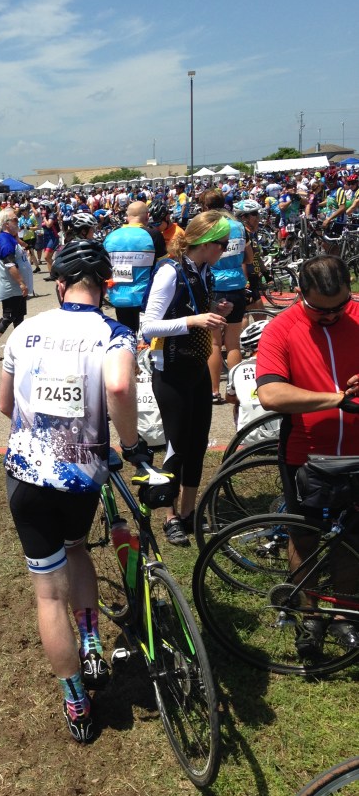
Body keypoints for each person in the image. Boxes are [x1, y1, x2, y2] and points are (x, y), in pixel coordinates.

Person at [0, 237, 147, 744]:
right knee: (78, 546)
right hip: (81, 473)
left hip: (27, 472)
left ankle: (75, 698)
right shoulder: (115, 333)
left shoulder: (27, 330)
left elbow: (3, 404)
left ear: (59, 285)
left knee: (46, 592)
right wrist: (131, 443)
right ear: (104, 286)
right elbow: (121, 388)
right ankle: (89, 639)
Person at [256, 254, 359, 656]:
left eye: (341, 307)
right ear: (300, 294)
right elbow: (270, 394)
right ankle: (309, 615)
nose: (333, 317)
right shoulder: (281, 329)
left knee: (353, 536)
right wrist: (334, 399)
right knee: (305, 535)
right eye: (321, 309)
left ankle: (345, 614)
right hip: (307, 452)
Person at [140, 211, 231, 546]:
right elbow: (147, 327)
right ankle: (169, 515)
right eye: (222, 244)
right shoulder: (170, 271)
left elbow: (193, 313)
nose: (225, 250)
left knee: (197, 444)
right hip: (171, 369)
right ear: (206, 243)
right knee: (176, 445)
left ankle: (189, 513)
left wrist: (216, 313)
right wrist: (193, 321)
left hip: (196, 367)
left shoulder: (204, 270)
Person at [199, 189, 249, 404]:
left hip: (216, 286)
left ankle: (213, 391)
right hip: (237, 284)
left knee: (214, 343)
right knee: (234, 344)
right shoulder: (238, 226)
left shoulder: (209, 226)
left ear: (206, 207)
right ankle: (235, 389)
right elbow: (247, 255)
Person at [104, 200, 166, 332]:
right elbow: (163, 266)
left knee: (127, 334)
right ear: (147, 216)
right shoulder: (153, 234)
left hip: (118, 296)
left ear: (127, 216)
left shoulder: (111, 236)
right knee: (147, 338)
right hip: (145, 297)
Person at [0, 207, 34, 362]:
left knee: (18, 317)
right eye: (15, 220)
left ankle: (20, 347)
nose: (17, 222)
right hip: (11, 286)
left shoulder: (10, 237)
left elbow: (18, 248)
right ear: (6, 224)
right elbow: (9, 265)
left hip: (16, 287)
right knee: (9, 315)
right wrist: (22, 283)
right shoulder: (4, 240)